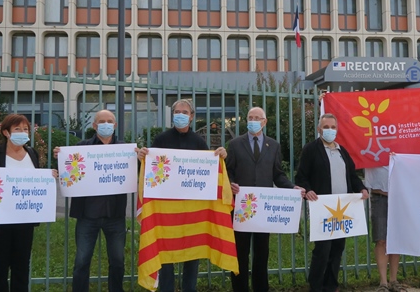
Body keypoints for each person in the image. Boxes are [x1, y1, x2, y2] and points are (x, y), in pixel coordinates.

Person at [136, 99, 227, 292]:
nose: (180, 115)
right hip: (166, 209)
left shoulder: (199, 142)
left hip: (192, 209)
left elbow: (209, 171)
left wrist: (220, 156)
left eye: (184, 112)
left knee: (192, 252)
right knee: (166, 252)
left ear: (192, 117)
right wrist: (143, 158)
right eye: (177, 111)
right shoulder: (161, 140)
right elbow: (150, 169)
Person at [226, 107, 305, 292]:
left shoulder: (273, 145)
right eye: (250, 117)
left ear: (264, 122)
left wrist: (292, 187)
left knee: (261, 254)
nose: (253, 120)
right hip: (241, 207)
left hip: (263, 209)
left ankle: (261, 288)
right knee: (240, 253)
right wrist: (230, 183)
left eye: (257, 118)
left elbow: (278, 175)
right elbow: (228, 170)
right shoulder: (235, 144)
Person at [53, 110, 127, 292]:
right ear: (94, 126)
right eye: (101, 121)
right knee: (81, 261)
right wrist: (61, 158)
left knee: (118, 261)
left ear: (115, 125)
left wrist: (141, 157)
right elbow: (69, 171)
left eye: (109, 121)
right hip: (87, 216)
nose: (106, 124)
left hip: (115, 216)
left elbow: (138, 171)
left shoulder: (125, 150)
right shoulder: (82, 147)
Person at [295, 113, 369, 292]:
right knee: (322, 250)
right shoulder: (311, 149)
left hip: (342, 208)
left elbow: (352, 175)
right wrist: (308, 190)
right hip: (323, 208)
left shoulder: (342, 151)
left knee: (337, 248)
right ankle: (316, 286)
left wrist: (361, 188)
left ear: (337, 129)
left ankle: (331, 285)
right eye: (326, 127)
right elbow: (301, 177)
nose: (329, 130)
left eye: (333, 127)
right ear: (319, 129)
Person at [0, 114, 56, 292]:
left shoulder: (32, 154)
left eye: (25, 129)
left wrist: (49, 177)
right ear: (6, 132)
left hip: (24, 221)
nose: (23, 133)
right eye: (17, 129)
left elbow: (35, 181)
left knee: (21, 266)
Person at [365, 165, 407, 292]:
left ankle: (393, 280)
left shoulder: (400, 145)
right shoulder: (372, 145)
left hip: (398, 196)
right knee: (381, 239)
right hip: (379, 196)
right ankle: (383, 282)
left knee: (395, 239)